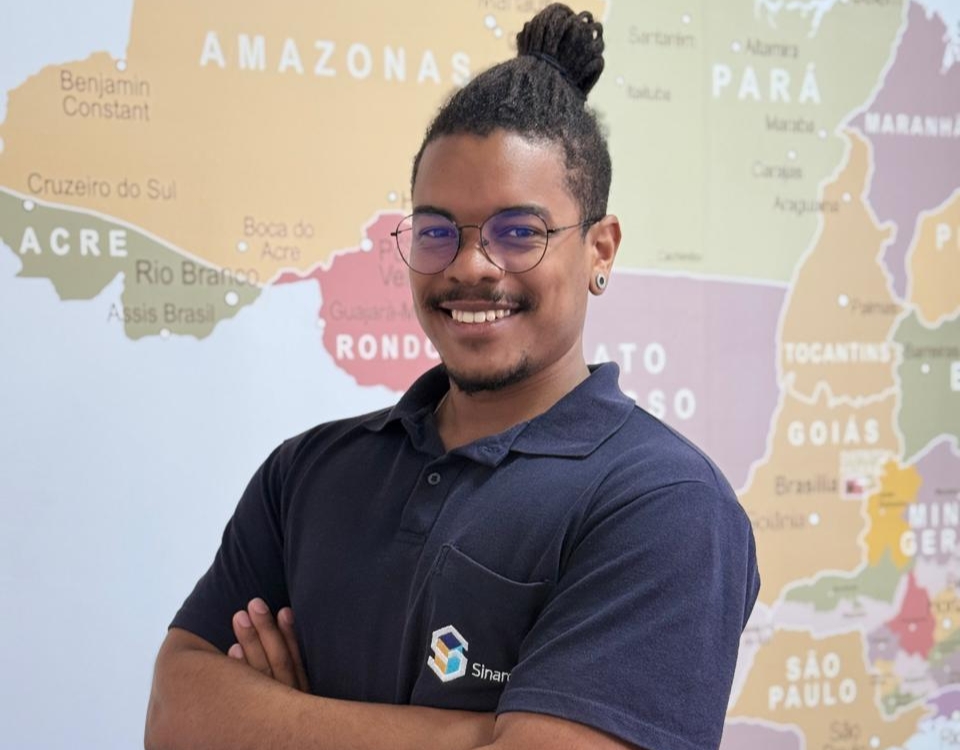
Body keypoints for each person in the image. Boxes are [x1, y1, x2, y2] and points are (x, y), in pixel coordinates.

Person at [145, 5, 760, 749]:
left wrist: (269, 721)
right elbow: (175, 715)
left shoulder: (666, 504)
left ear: (600, 250)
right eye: (437, 231)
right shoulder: (305, 473)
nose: (471, 265)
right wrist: (478, 734)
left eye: (519, 232)